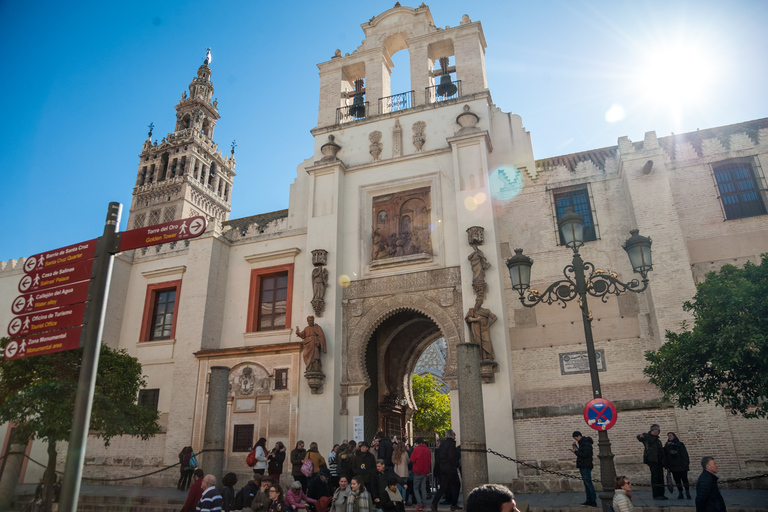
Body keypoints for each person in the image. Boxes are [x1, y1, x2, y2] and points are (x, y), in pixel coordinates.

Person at [431, 430, 461, 512]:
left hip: (443, 468)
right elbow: (451, 456)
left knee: (443, 487)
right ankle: (454, 504)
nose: (455, 436)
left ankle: (434, 503)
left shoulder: (443, 444)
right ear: (452, 435)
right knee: (457, 485)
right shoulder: (451, 444)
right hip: (450, 468)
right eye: (454, 434)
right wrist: (455, 465)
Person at [637, 424, 668, 500]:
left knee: (661, 477)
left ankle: (661, 494)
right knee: (655, 477)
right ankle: (656, 495)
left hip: (659, 461)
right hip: (652, 460)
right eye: (657, 430)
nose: (658, 432)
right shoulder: (648, 437)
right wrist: (640, 436)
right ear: (653, 430)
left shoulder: (658, 440)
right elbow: (641, 437)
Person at [570, 431, 596, 507]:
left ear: (579, 436)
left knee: (589, 484)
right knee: (586, 484)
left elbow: (585, 455)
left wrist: (575, 452)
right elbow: (581, 452)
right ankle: (589, 500)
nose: (576, 440)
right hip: (583, 465)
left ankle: (593, 501)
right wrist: (575, 447)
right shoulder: (582, 443)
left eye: (576, 438)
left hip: (585, 465)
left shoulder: (586, 443)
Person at [665, 432, 691, 499]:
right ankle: (680, 493)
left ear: (674, 436)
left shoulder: (680, 444)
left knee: (684, 479)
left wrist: (686, 463)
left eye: (671, 436)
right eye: (668, 436)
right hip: (673, 467)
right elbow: (666, 456)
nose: (669, 437)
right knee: (677, 480)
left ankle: (687, 493)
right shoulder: (667, 445)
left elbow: (684, 454)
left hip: (681, 465)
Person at [410, 438, 431, 511]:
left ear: (417, 443)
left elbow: (412, 459)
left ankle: (419, 504)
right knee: (423, 488)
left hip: (417, 471)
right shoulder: (428, 449)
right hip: (425, 471)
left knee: (415, 488)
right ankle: (424, 504)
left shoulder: (417, 449)